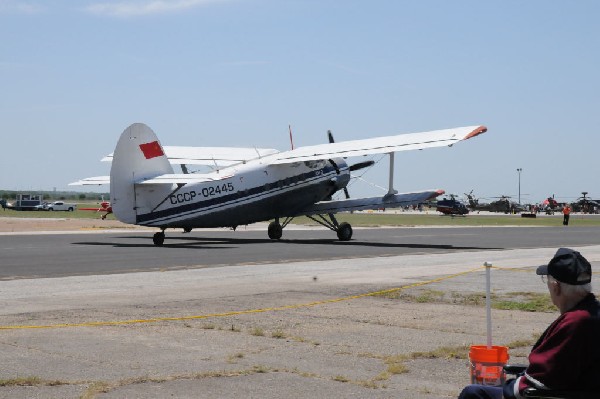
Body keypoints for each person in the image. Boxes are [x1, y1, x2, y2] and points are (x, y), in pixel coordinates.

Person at [458, 248, 600, 399]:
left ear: (556, 287)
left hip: (553, 394)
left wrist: (511, 388)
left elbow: (542, 379)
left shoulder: (575, 322)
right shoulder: (593, 312)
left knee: (473, 393)